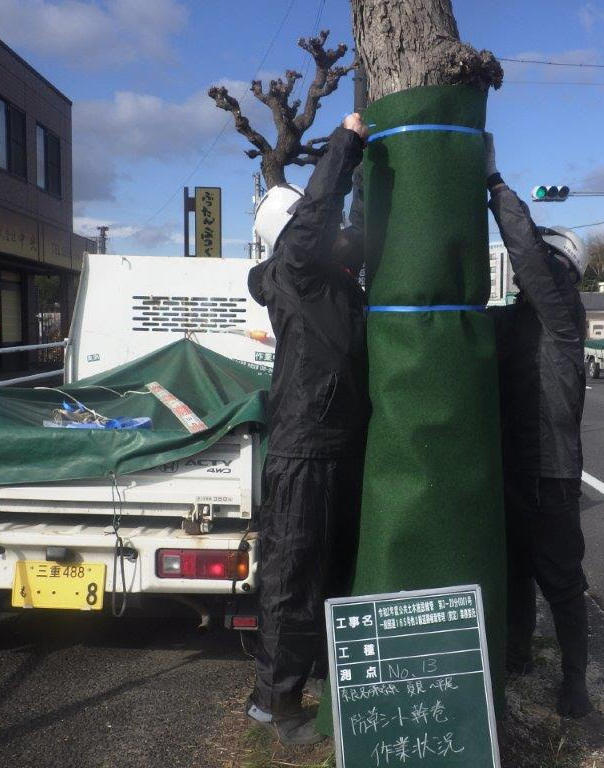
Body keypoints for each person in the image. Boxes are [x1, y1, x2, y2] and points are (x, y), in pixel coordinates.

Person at [245, 113, 370, 745]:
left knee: (327, 577)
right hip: (304, 446)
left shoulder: (328, 282)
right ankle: (276, 705)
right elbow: (316, 219)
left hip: (335, 444)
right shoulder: (297, 271)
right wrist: (346, 143)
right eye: (306, 228)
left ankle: (296, 688)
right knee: (291, 579)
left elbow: (344, 234)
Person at [484, 132, 593, 719]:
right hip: (513, 466)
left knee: (561, 579)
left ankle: (575, 678)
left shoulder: (563, 317)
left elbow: (525, 255)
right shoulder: (520, 320)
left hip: (552, 472)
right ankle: (520, 652)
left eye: (545, 263)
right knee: (516, 566)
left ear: (560, 271)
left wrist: (497, 185)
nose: (533, 270)